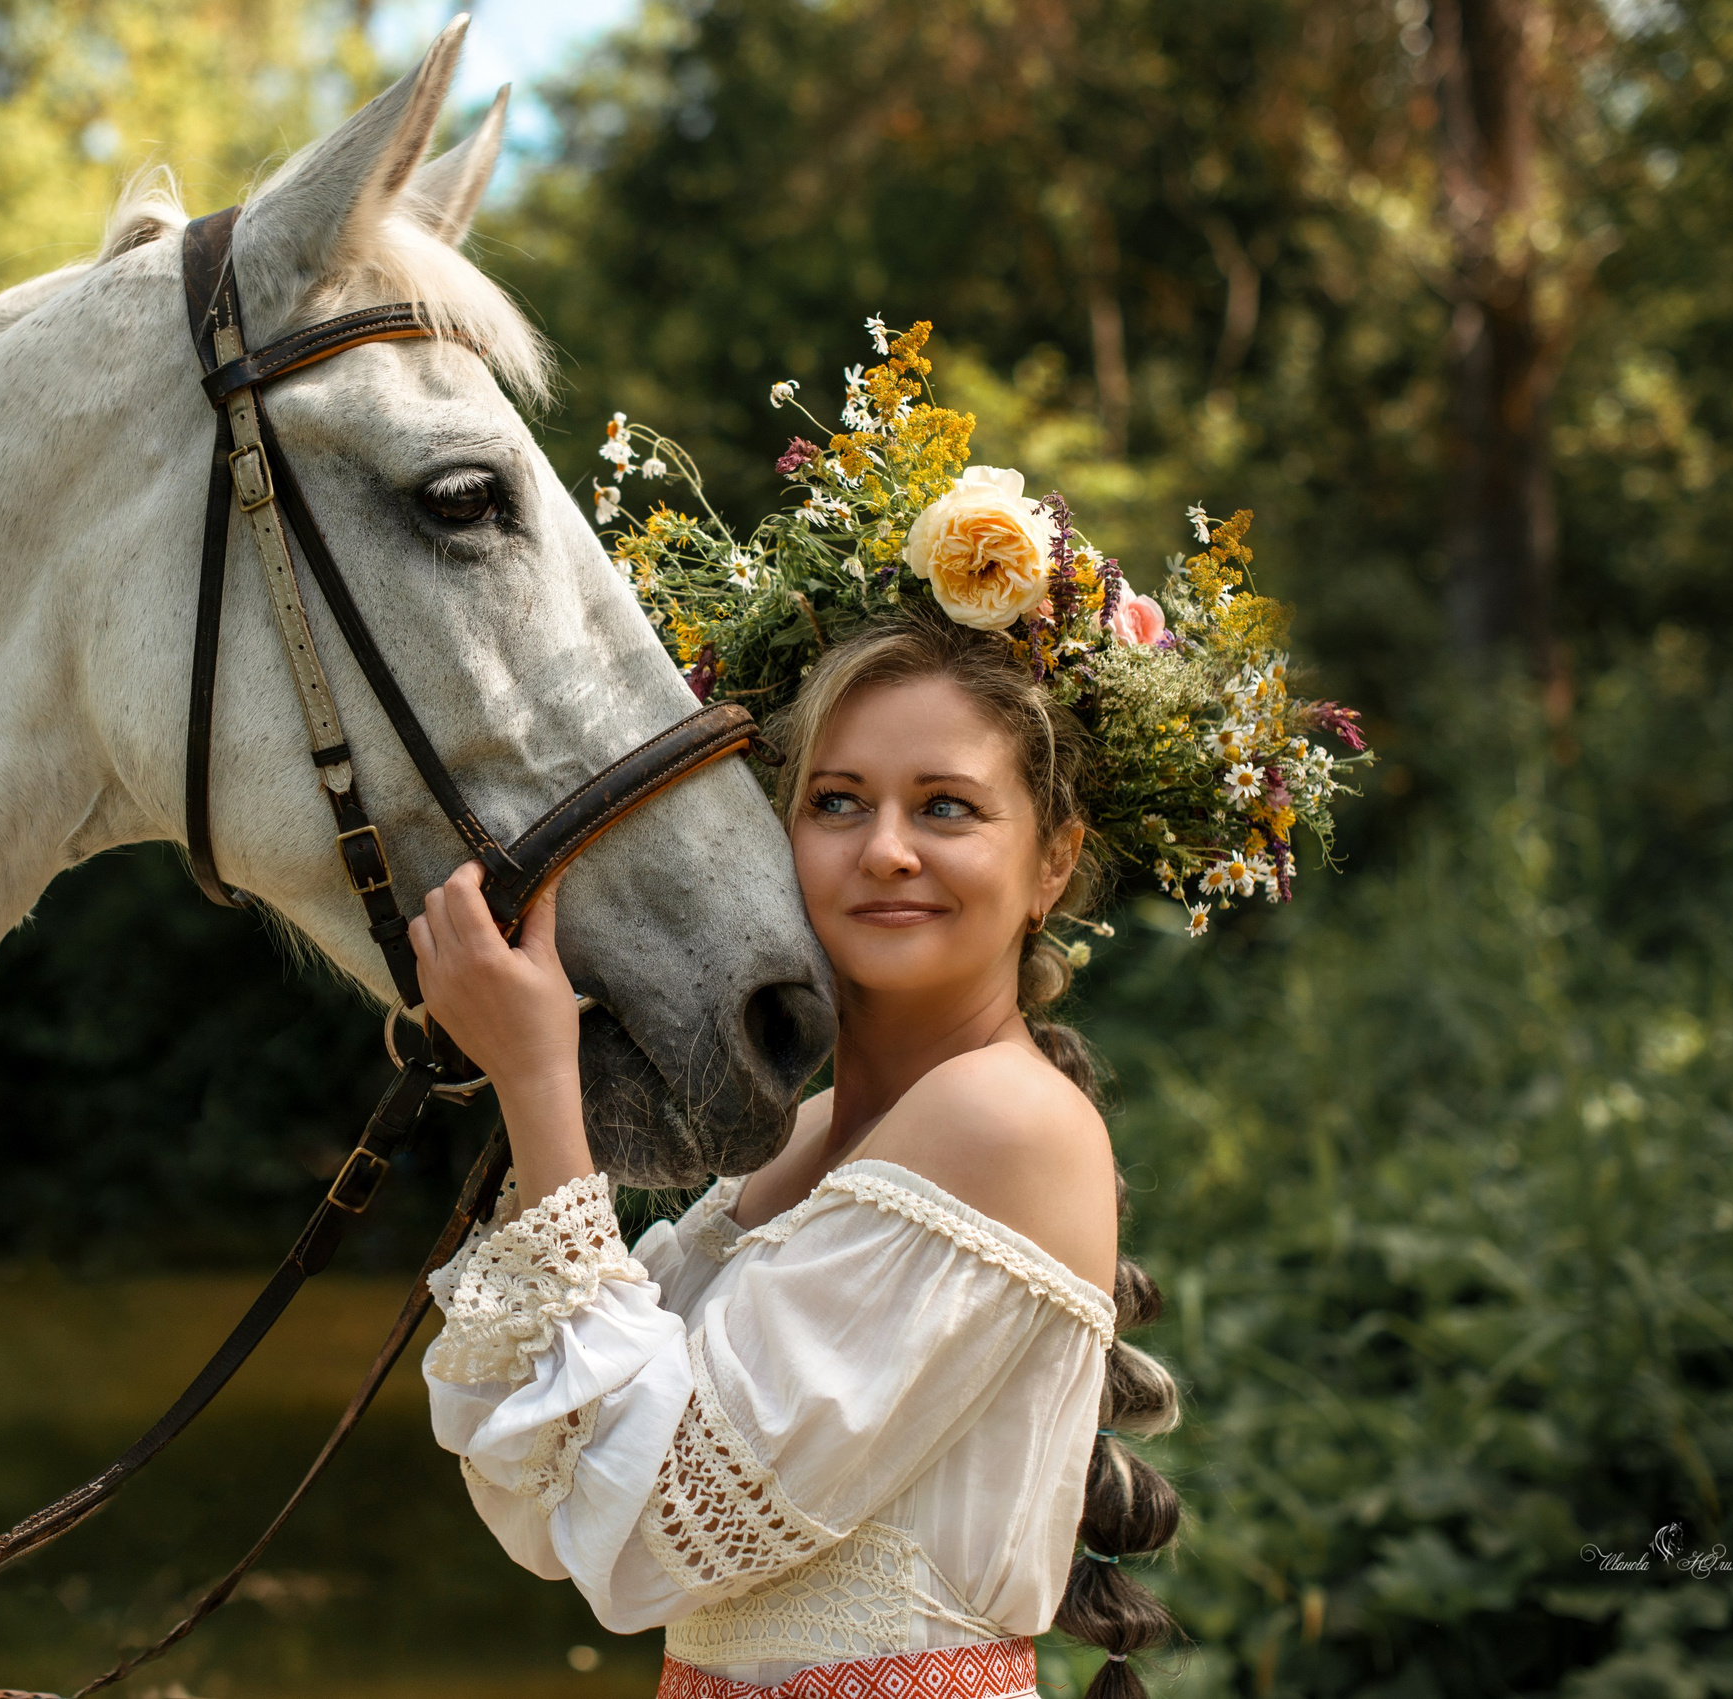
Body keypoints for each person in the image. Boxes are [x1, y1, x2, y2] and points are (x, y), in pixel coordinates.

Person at [410, 609, 1186, 1699]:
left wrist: (536, 1082)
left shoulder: (1002, 1121)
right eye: (836, 802)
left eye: (946, 806)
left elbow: (650, 1537)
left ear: (1053, 859)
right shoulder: (812, 1137)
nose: (885, 849)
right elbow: (557, 1500)